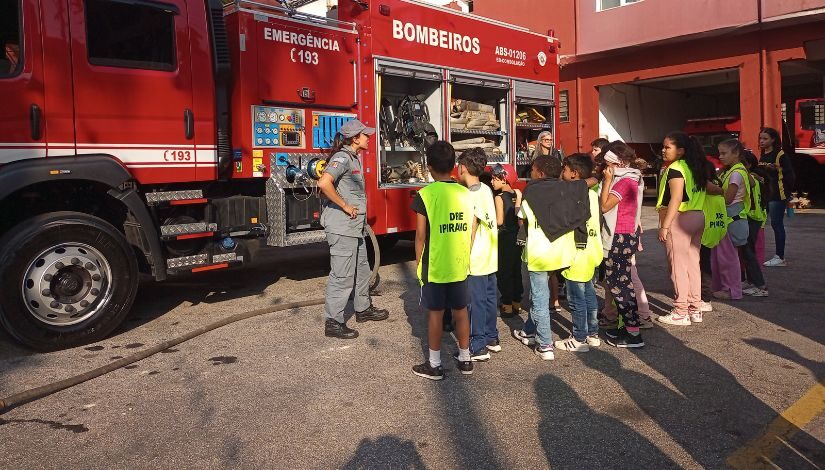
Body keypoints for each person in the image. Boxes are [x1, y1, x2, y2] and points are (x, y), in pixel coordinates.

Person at [512, 156, 589, 361]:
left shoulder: (532, 192)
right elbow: (585, 188)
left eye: (534, 171)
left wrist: (518, 203)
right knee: (538, 296)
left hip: (539, 253)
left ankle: (545, 344)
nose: (531, 174)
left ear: (541, 173)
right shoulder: (568, 189)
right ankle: (528, 331)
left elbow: (522, 221)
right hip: (562, 252)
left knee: (539, 298)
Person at [318, 120, 389, 339]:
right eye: (365, 135)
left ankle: (363, 309)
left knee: (362, 269)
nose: (368, 138)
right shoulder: (342, 158)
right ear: (355, 138)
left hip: (354, 227)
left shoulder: (352, 157)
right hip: (342, 227)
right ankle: (334, 321)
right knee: (342, 275)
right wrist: (345, 205)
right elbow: (323, 183)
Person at [411, 141, 475, 380]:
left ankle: (435, 364)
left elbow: (420, 236)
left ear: (429, 167)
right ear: (454, 166)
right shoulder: (465, 193)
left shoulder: (425, 195)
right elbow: (471, 228)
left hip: (435, 266)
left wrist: (419, 264)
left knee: (435, 314)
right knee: (461, 312)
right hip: (459, 264)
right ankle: (465, 358)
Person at [656, 132, 718, 326]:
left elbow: (675, 198)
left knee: (678, 266)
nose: (663, 150)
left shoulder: (675, 169)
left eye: (668, 147)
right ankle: (694, 308)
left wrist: (665, 225)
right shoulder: (694, 167)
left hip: (680, 219)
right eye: (663, 147)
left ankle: (680, 311)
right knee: (692, 263)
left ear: (680, 150)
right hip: (698, 216)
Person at [599, 144, 645, 347]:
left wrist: (608, 181)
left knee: (620, 285)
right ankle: (628, 327)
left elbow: (605, 206)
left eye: (607, 164)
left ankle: (633, 333)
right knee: (620, 282)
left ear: (617, 163)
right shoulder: (633, 177)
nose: (604, 168)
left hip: (620, 236)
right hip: (625, 236)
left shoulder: (625, 181)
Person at [555, 154, 602, 352]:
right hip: (592, 250)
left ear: (574, 174)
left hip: (577, 253)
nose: (561, 173)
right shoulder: (592, 193)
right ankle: (592, 333)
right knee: (589, 293)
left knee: (576, 298)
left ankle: (578, 337)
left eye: (564, 169)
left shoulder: (572, 194)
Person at [456, 148, 499, 361]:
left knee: (476, 301)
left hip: (477, 257)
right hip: (491, 253)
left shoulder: (469, 195)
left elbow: (471, 226)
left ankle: (477, 344)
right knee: (491, 297)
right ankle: (492, 337)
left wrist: (464, 254)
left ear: (462, 168)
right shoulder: (486, 189)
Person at [711, 139, 753, 301]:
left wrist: (714, 189)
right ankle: (728, 287)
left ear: (736, 154)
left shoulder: (735, 173)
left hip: (731, 218)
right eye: (719, 153)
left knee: (727, 257)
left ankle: (731, 290)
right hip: (733, 218)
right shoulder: (738, 171)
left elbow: (728, 198)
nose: (720, 156)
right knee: (726, 256)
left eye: (724, 153)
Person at [758, 127, 795, 267]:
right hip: (766, 194)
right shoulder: (763, 154)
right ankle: (760, 252)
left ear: (773, 139)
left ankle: (780, 256)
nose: (761, 141)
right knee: (760, 222)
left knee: (776, 224)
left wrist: (786, 193)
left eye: (765, 138)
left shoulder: (780, 154)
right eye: (760, 138)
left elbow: (790, 175)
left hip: (777, 194)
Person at [490, 164, 523, 317]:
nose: (492, 181)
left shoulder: (499, 197)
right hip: (517, 236)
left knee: (504, 271)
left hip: (505, 237)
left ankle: (507, 305)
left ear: (504, 179)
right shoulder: (517, 193)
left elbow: (499, 220)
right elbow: (519, 218)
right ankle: (517, 302)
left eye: (495, 179)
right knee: (516, 269)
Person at [741, 150, 769, 296]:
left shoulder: (750, 177)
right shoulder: (755, 176)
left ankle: (760, 285)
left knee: (749, 252)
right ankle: (752, 281)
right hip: (755, 217)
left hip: (752, 217)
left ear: (748, 164)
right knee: (747, 251)